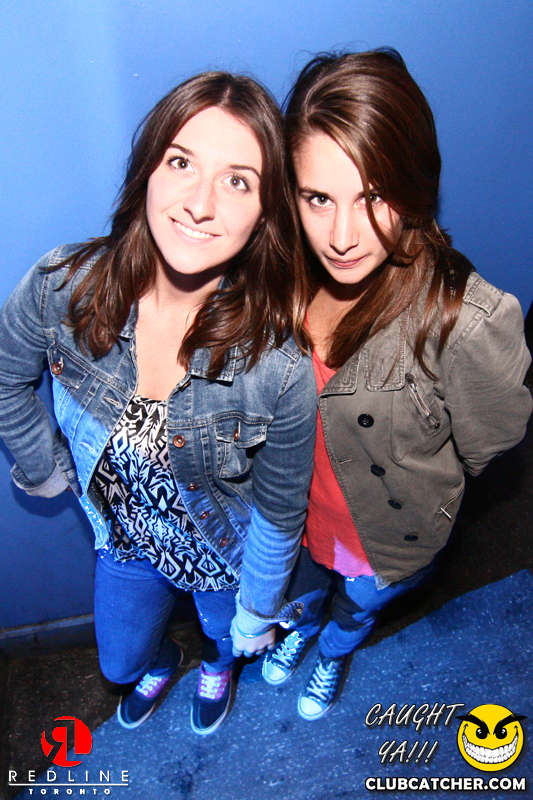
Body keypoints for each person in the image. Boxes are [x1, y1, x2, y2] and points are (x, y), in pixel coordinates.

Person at [0, 71, 316, 735]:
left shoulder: (278, 368)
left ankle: (215, 664)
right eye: (180, 162)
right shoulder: (63, 288)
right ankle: (163, 660)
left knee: (227, 640)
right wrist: (42, 466)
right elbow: (7, 376)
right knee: (119, 665)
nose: (200, 203)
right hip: (127, 546)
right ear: (148, 169)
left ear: (264, 213)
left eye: (237, 181)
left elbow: (281, 511)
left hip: (222, 559)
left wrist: (258, 609)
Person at [262, 49, 532, 721]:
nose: (342, 236)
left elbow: (491, 442)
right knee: (300, 593)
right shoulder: (279, 275)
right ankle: (300, 628)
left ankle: (333, 651)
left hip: (383, 536)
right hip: (293, 517)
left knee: (354, 607)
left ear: (414, 184)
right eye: (318, 198)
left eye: (373, 196)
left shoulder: (465, 321)